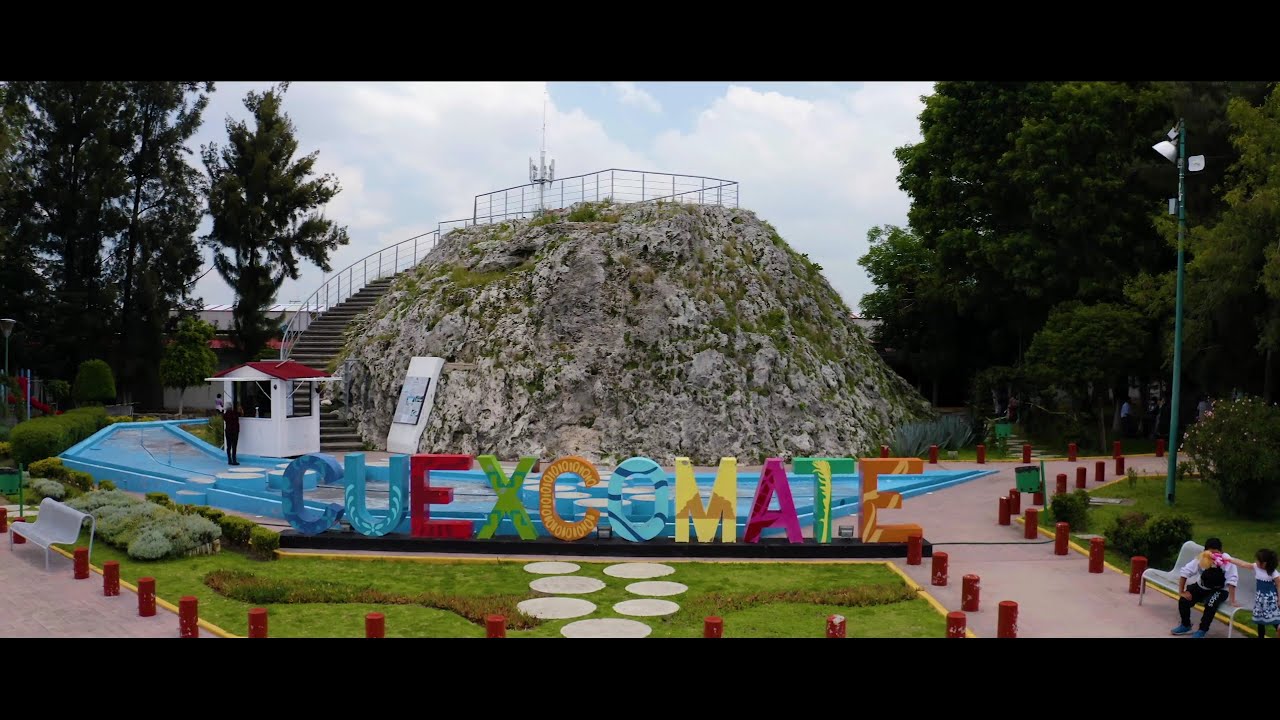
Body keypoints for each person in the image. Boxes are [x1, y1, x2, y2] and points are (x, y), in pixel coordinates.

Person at [1172, 537, 1239, 637]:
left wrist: (1232, 601)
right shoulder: (1201, 558)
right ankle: (1186, 625)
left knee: (1211, 604)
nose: (1214, 557)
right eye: (1211, 554)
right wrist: (1181, 591)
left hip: (1220, 590)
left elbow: (1232, 580)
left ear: (1221, 551)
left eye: (1216, 553)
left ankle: (1202, 630)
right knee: (1184, 600)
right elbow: (1185, 572)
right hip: (1202, 586)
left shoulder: (1227, 561)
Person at [1226, 549, 1280, 638]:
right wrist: (1230, 559)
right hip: (1260, 600)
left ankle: (1278, 627)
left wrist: (1279, 600)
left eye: (1258, 560)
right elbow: (1243, 564)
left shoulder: (1274, 573)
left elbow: (1279, 586)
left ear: (1265, 563)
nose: (1256, 562)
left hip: (1270, 600)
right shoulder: (1256, 567)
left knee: (1272, 618)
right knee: (1261, 621)